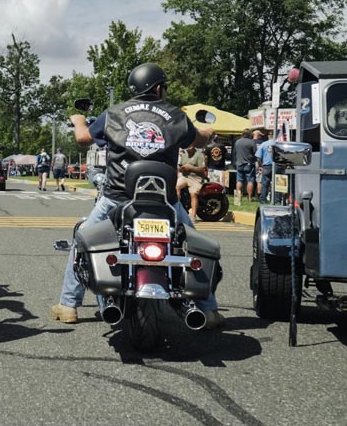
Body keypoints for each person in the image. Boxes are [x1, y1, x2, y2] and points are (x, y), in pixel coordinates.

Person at [49, 63, 224, 329]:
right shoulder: (175, 115)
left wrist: (79, 120)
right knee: (193, 243)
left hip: (117, 197)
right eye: (164, 87)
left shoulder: (113, 113)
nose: (165, 91)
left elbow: (84, 139)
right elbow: (197, 141)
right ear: (156, 87)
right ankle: (209, 309)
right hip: (166, 200)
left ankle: (68, 305)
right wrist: (206, 132)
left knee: (82, 240)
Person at [176, 145, 207, 223]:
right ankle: (177, 208)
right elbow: (179, 166)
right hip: (185, 176)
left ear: (193, 146)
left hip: (196, 178)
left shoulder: (199, 155)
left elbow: (203, 169)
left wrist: (191, 168)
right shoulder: (184, 154)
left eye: (190, 146)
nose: (188, 148)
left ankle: (193, 215)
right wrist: (181, 168)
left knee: (193, 194)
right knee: (176, 186)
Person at [233, 128, 257, 206]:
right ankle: (249, 197)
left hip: (239, 163)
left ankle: (238, 198)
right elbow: (255, 153)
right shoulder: (252, 142)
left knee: (239, 180)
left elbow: (234, 153)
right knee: (250, 180)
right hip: (249, 164)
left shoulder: (237, 142)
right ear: (250, 134)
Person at [256, 132, 276, 204]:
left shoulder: (264, 144)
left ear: (268, 136)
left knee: (265, 184)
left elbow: (258, 157)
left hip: (267, 166)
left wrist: (260, 166)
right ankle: (277, 200)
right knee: (277, 184)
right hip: (277, 166)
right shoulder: (278, 144)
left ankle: (263, 199)